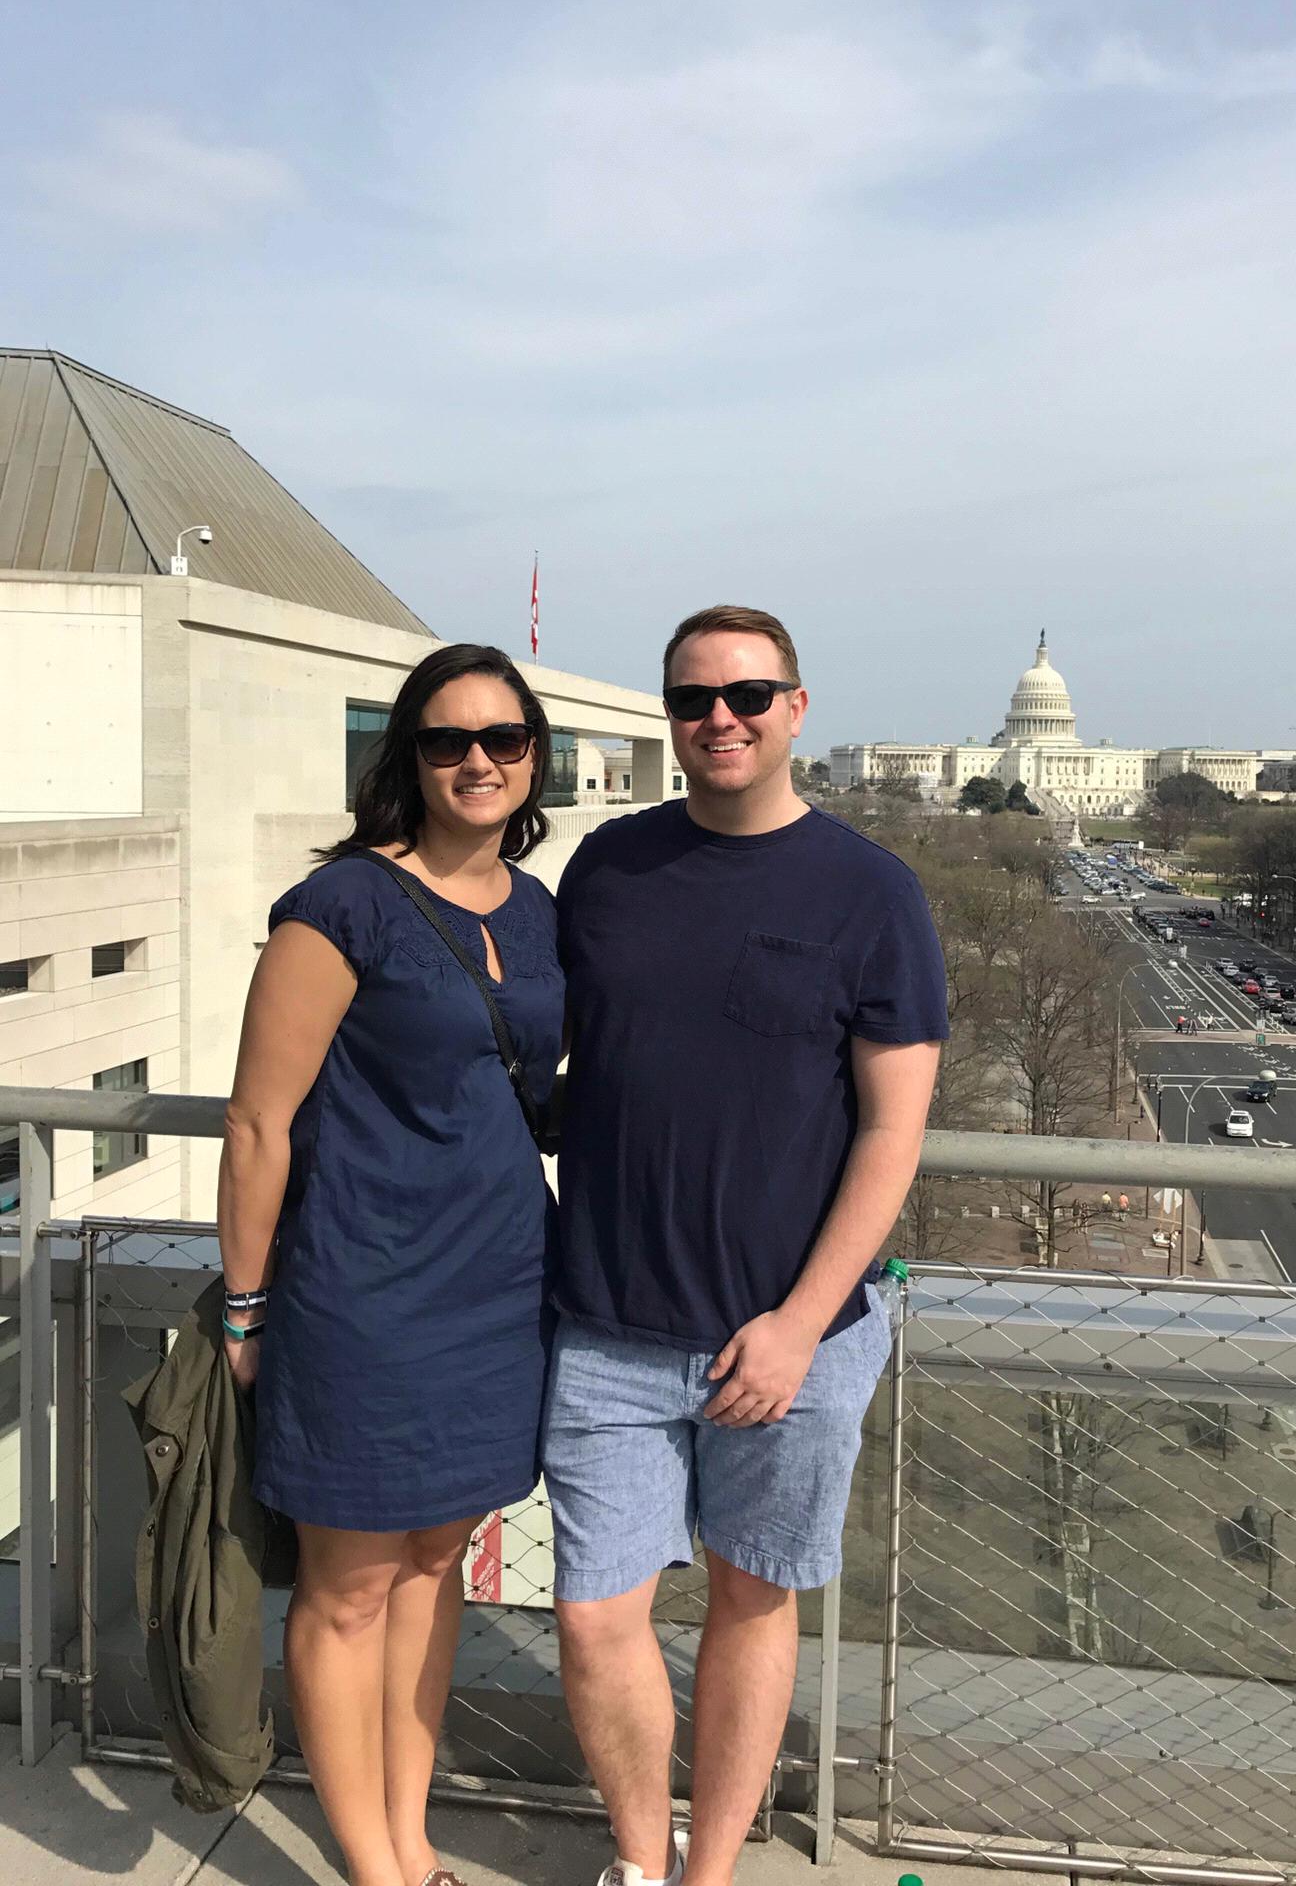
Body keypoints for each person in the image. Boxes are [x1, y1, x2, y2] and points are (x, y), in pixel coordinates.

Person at [546, 606, 947, 1886]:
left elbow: (893, 1127)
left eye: (748, 694)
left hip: (792, 1337)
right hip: (607, 1319)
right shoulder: (606, 869)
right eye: (693, 699)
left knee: (750, 1600)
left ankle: (708, 1869)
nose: (720, 718)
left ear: (796, 707)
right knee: (594, 1610)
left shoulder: (872, 892)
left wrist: (796, 1319)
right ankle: (639, 1857)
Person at [216, 643, 563, 1886]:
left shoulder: (535, 908)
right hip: (360, 1288)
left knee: (433, 1569)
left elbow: (523, 1086)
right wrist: (246, 1308)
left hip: (497, 1290)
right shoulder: (342, 906)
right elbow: (258, 1122)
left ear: (535, 761)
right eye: (446, 740)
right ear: (406, 758)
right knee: (349, 1583)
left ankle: (412, 1836)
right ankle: (372, 1863)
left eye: (503, 740)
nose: (476, 760)